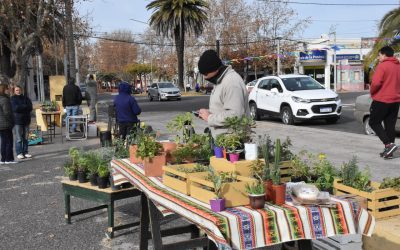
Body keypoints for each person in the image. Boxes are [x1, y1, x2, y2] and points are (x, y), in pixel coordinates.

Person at [197, 49, 250, 138]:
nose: (205, 77)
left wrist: (209, 118)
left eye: (205, 73)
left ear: (214, 69)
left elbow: (235, 114)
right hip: (222, 140)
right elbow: (224, 108)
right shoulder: (220, 80)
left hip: (232, 142)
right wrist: (208, 113)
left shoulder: (231, 82)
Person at [369, 46, 400, 159]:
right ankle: (389, 152)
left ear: (384, 54)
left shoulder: (382, 66)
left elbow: (376, 83)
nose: (378, 58)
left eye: (379, 55)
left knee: (373, 122)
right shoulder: (398, 66)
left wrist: (372, 91)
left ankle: (388, 144)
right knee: (390, 126)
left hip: (382, 100)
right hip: (395, 101)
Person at [11, 85, 33, 159]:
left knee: (26, 137)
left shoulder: (26, 98)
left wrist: (22, 107)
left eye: (19, 90)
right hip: (17, 121)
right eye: (16, 90)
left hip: (26, 120)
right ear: (14, 91)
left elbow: (30, 107)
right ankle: (19, 152)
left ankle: (25, 152)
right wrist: (24, 107)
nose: (18, 91)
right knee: (19, 138)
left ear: (21, 90)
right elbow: (15, 108)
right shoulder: (13, 99)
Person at [0, 83, 17, 164]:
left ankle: (3, 159)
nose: (9, 90)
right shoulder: (4, 100)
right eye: (8, 88)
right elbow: (7, 113)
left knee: (3, 142)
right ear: (4, 89)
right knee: (8, 142)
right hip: (5, 124)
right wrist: (12, 122)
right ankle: (8, 159)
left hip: (1, 124)